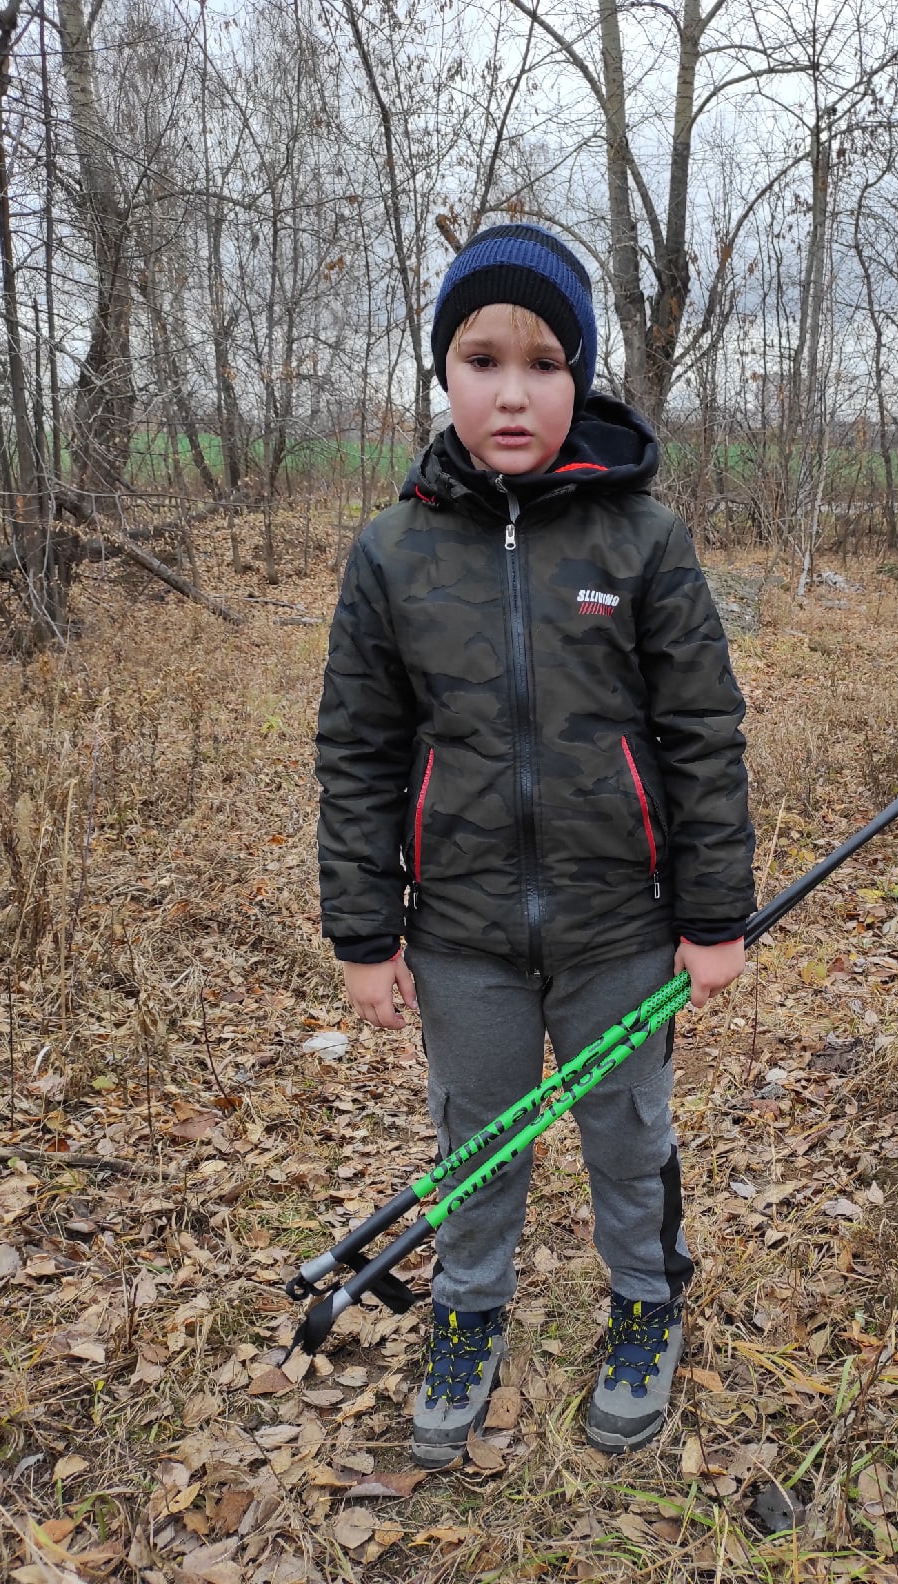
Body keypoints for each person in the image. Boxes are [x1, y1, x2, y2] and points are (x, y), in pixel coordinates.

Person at [315, 223, 754, 1466]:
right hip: (462, 937)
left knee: (630, 1135)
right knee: (478, 1142)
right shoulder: (392, 553)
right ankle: (466, 1317)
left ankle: (647, 1303)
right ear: (444, 373)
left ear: (582, 377)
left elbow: (702, 734)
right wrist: (364, 934)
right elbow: (356, 750)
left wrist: (712, 917)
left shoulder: (643, 541)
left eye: (544, 363)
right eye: (483, 359)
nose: (513, 392)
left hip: (622, 927)